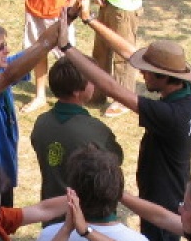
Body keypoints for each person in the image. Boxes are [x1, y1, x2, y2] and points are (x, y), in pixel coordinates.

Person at [67, 16, 191, 241]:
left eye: (148, 73)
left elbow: (112, 88)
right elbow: (130, 53)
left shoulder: (170, 115)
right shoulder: (188, 93)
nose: (141, 74)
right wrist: (90, 20)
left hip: (162, 197)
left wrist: (67, 49)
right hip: (176, 185)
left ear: (164, 77)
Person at [0, 19, 69, 205]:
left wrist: (69, 18)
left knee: (4, 231)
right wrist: (47, 44)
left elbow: (36, 48)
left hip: (2, 175)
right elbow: (10, 75)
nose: (7, 51)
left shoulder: (0, 70)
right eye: (1, 47)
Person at [29, 57, 124, 203]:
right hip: (85, 211)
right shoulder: (95, 129)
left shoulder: (41, 123)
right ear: (76, 91)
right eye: (92, 80)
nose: (95, 84)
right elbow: (115, 160)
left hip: (50, 209)